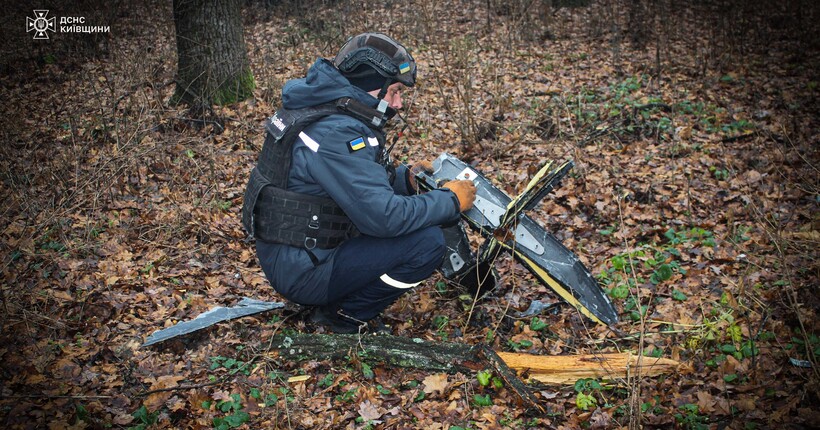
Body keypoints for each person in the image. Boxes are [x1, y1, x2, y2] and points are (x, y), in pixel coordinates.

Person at [242, 33, 476, 333]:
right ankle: (342, 316)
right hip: (304, 270)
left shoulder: (322, 107)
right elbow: (384, 218)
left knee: (420, 218)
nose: (398, 104)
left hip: (297, 253)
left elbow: (353, 187)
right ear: (371, 86)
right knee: (427, 243)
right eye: (394, 92)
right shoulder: (336, 133)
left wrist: (405, 179)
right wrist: (451, 200)